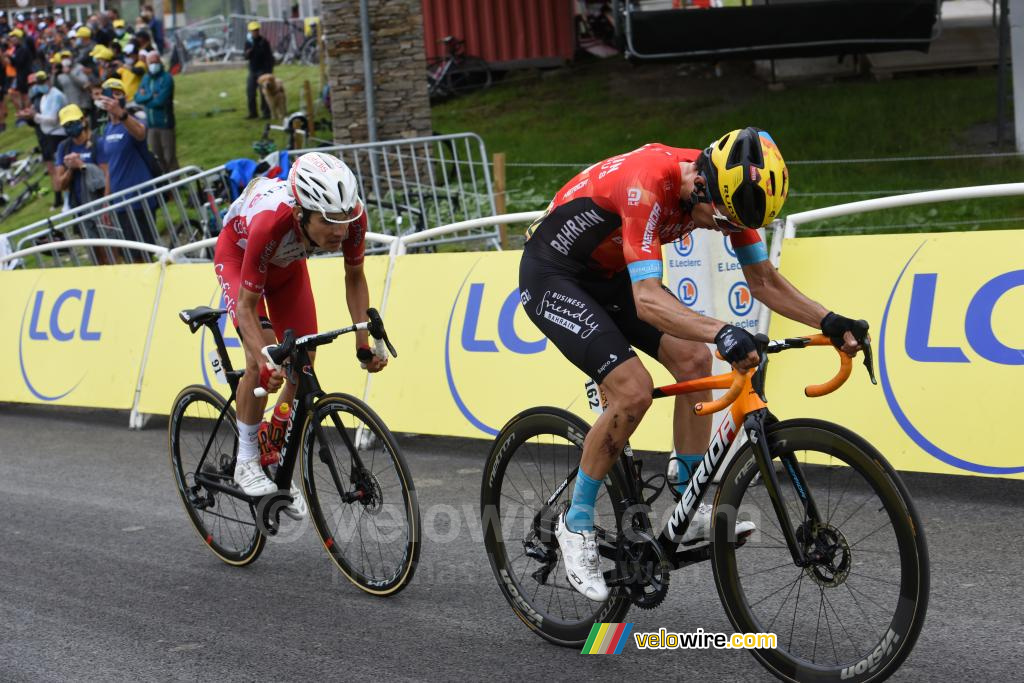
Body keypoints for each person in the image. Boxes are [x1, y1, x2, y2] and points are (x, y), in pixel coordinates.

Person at [519, 129, 867, 602]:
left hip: (610, 272)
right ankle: (574, 523)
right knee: (633, 390)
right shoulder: (648, 182)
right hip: (555, 274)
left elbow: (763, 281)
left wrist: (830, 320)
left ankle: (689, 500)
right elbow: (646, 300)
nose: (724, 231)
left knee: (694, 358)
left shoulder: (731, 195)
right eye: (722, 222)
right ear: (702, 187)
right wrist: (723, 329)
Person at [213, 152, 384, 513]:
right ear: (300, 213)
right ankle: (246, 457)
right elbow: (246, 307)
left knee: (302, 360)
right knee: (263, 360)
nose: (340, 230)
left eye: (345, 218)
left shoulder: (352, 219)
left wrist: (363, 341)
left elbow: (355, 277)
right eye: (328, 221)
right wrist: (263, 359)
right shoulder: (270, 222)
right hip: (240, 260)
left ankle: (273, 441)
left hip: (287, 269)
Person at [93, 77, 158, 257]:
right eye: (109, 94)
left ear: (124, 97)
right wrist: (106, 200)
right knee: (130, 253)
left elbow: (140, 133)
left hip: (140, 198)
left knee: (145, 252)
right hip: (120, 201)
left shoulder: (134, 118)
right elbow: (108, 168)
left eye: (118, 93)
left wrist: (121, 114)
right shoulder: (106, 130)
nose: (113, 98)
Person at [19, 70, 67, 209]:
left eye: (40, 82)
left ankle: (66, 198)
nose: (38, 86)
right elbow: (42, 117)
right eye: (36, 83)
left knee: (62, 169)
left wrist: (34, 116)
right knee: (54, 169)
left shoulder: (56, 95)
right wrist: (31, 117)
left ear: (48, 80)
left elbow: (52, 119)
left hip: (57, 134)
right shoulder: (44, 96)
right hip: (47, 136)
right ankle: (61, 199)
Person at [134, 52, 176, 171]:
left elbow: (160, 101)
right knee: (157, 156)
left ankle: (177, 182)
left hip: (165, 123)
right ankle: (165, 184)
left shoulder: (167, 78)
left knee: (169, 156)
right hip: (151, 124)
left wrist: (146, 98)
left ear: (160, 61)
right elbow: (137, 97)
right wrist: (151, 96)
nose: (153, 64)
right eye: (151, 62)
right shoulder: (146, 78)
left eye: (155, 61)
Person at [244, 21, 273, 120]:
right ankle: (253, 113)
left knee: (263, 92)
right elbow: (245, 57)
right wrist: (248, 53)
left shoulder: (264, 42)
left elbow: (269, 57)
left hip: (263, 71)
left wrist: (269, 71)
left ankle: (266, 113)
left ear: (258, 31)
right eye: (253, 31)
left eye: (256, 30)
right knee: (250, 92)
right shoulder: (248, 43)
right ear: (250, 31)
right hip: (252, 70)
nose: (255, 32)